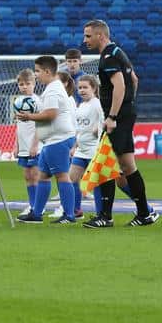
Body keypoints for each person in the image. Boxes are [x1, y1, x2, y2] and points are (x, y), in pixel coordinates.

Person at [81, 19, 156, 228]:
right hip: (126, 114)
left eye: (88, 35)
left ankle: (106, 216)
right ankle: (144, 214)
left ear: (100, 35)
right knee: (127, 166)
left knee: (106, 162)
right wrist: (129, 107)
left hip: (117, 117)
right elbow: (135, 80)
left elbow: (120, 85)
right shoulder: (118, 53)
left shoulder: (107, 58)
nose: (84, 40)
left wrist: (113, 116)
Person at [16, 56, 77, 224]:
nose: (36, 75)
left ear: (47, 71)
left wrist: (29, 116)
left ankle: (69, 215)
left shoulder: (52, 90)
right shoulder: (53, 87)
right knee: (43, 176)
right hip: (51, 141)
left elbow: (51, 114)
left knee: (62, 176)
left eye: (37, 71)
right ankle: (36, 213)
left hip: (58, 139)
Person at [70, 74, 103, 221]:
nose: (82, 90)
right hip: (81, 150)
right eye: (80, 88)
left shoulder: (97, 104)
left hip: (94, 150)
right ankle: (76, 210)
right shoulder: (81, 105)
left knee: (95, 183)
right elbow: (79, 129)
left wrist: (98, 128)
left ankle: (100, 213)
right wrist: (74, 146)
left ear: (94, 88)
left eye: (85, 87)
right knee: (71, 180)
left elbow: (103, 119)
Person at [13, 68, 41, 211]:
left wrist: (35, 145)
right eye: (21, 84)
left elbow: (41, 125)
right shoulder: (17, 102)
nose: (24, 87)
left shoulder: (37, 101)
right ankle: (32, 205)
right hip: (23, 145)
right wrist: (15, 145)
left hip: (35, 145)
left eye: (27, 84)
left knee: (35, 175)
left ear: (34, 84)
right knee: (27, 176)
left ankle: (38, 207)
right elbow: (18, 125)